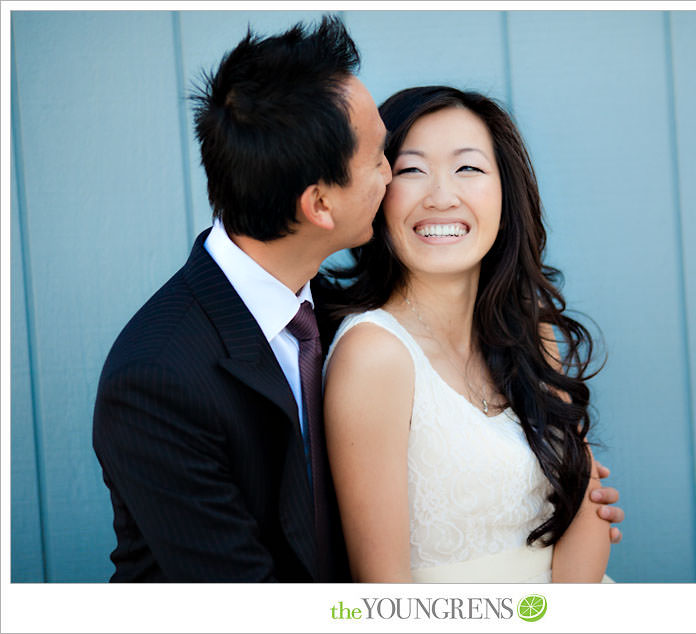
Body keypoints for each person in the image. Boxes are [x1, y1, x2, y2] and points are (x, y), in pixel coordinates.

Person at [92, 17, 623, 582]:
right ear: (320, 206)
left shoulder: (316, 309)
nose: (401, 180)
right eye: (384, 161)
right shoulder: (159, 377)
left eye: (467, 167)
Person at [323, 86, 614, 583]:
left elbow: (587, 502)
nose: (441, 197)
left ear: (506, 192)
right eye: (412, 170)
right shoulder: (374, 355)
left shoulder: (531, 327)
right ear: (377, 189)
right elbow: (383, 592)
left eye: (469, 169)